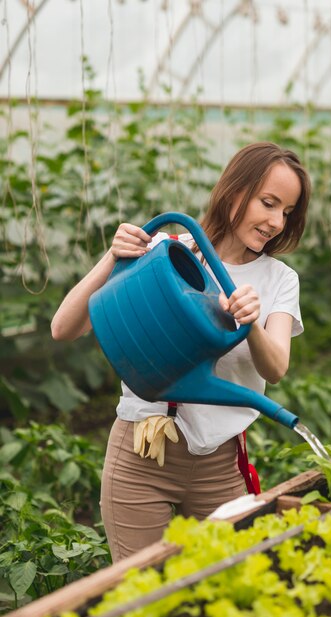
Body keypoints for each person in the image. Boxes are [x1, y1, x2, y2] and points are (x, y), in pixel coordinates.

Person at [51, 141, 311, 562]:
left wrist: (251, 325)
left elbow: (276, 368)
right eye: (268, 203)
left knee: (227, 587)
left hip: (219, 463)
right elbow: (64, 328)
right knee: (139, 592)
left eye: (287, 212)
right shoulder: (168, 251)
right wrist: (111, 257)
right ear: (235, 190)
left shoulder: (278, 278)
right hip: (138, 455)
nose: (276, 221)